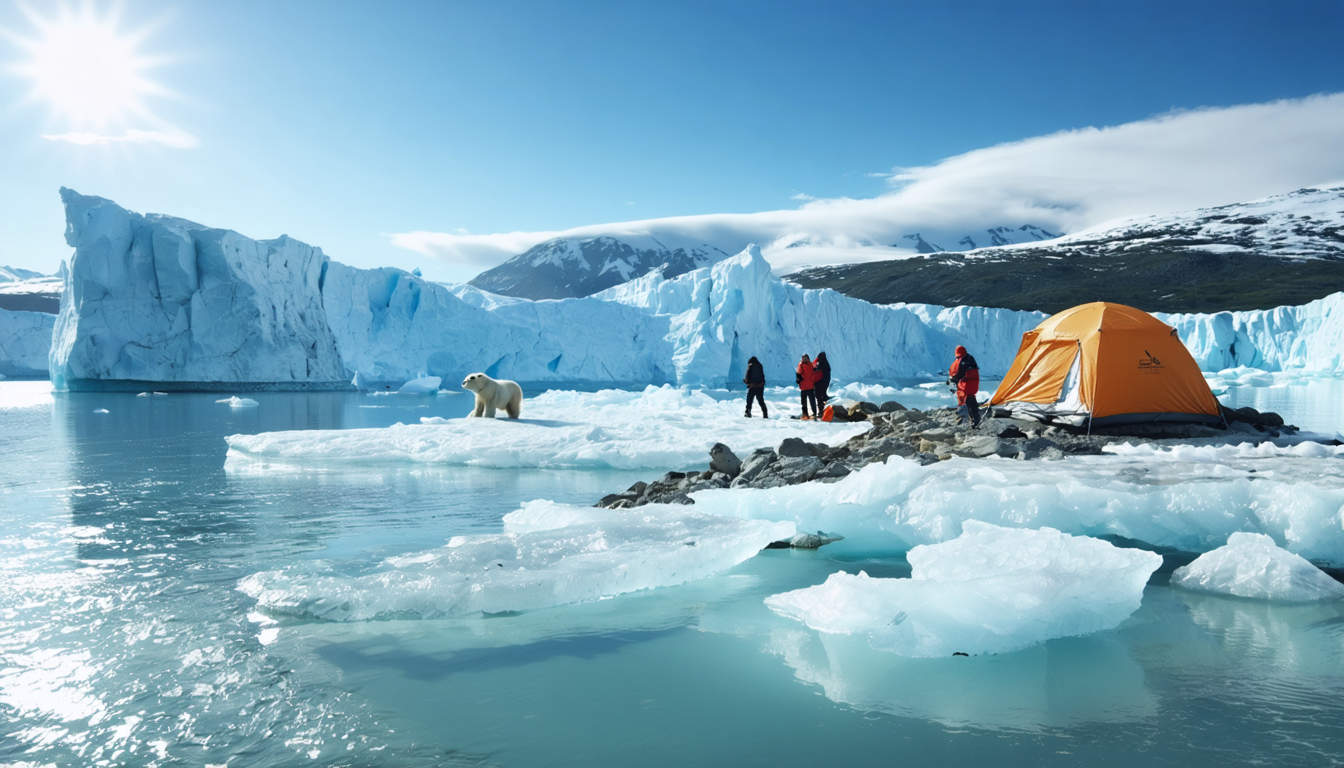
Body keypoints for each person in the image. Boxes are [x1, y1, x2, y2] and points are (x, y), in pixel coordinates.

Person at [948, 345, 981, 427]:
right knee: (971, 401)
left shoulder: (960, 361)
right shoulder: (969, 358)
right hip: (972, 384)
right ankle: (975, 418)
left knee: (965, 401)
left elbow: (957, 372)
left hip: (965, 385)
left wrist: (954, 379)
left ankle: (968, 420)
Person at [796, 354, 819, 420]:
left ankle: (806, 414)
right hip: (808, 386)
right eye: (804, 358)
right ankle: (813, 413)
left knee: (805, 402)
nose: (804, 360)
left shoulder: (802, 365)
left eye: (805, 358)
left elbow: (798, 373)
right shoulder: (811, 364)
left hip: (805, 387)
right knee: (810, 401)